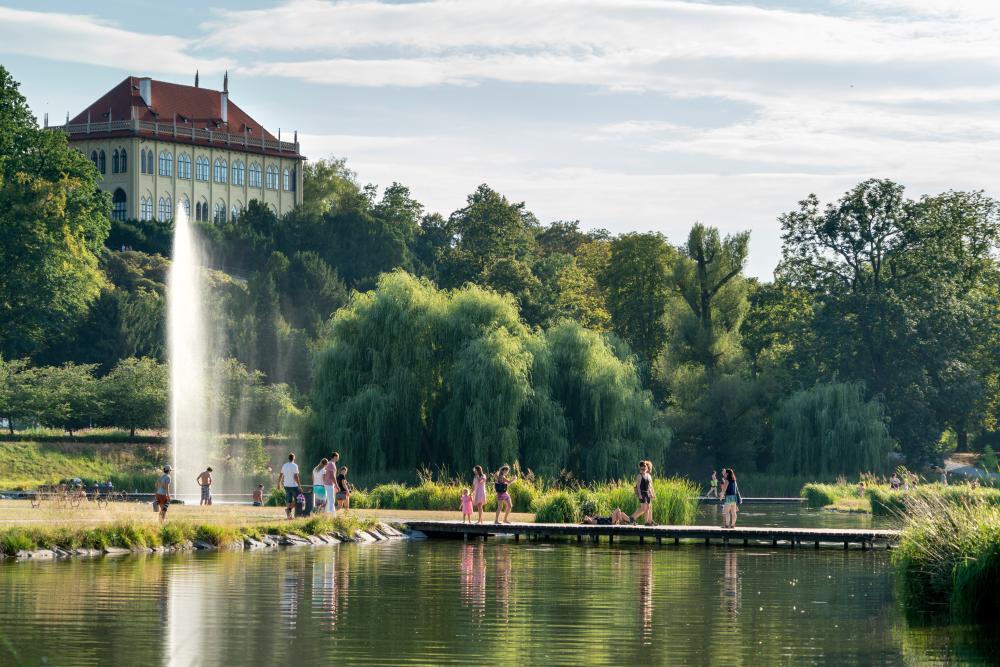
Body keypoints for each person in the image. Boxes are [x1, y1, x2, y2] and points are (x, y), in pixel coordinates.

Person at [631, 461, 655, 526]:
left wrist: (652, 493)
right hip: (642, 493)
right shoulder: (639, 476)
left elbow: (650, 486)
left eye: (644, 469)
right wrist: (640, 495)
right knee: (643, 508)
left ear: (646, 468)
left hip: (647, 493)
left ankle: (647, 522)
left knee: (648, 507)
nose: (643, 470)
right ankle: (633, 517)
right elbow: (638, 486)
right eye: (642, 469)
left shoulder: (647, 475)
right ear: (640, 469)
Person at [278, 453, 301, 520]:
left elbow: (281, 475)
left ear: (288, 458)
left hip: (286, 485)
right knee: (299, 499)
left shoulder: (284, 465)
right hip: (293, 486)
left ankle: (289, 516)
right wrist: (299, 485)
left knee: (289, 500)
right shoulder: (295, 466)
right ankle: (289, 510)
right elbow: (296, 477)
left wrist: (278, 484)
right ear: (294, 458)